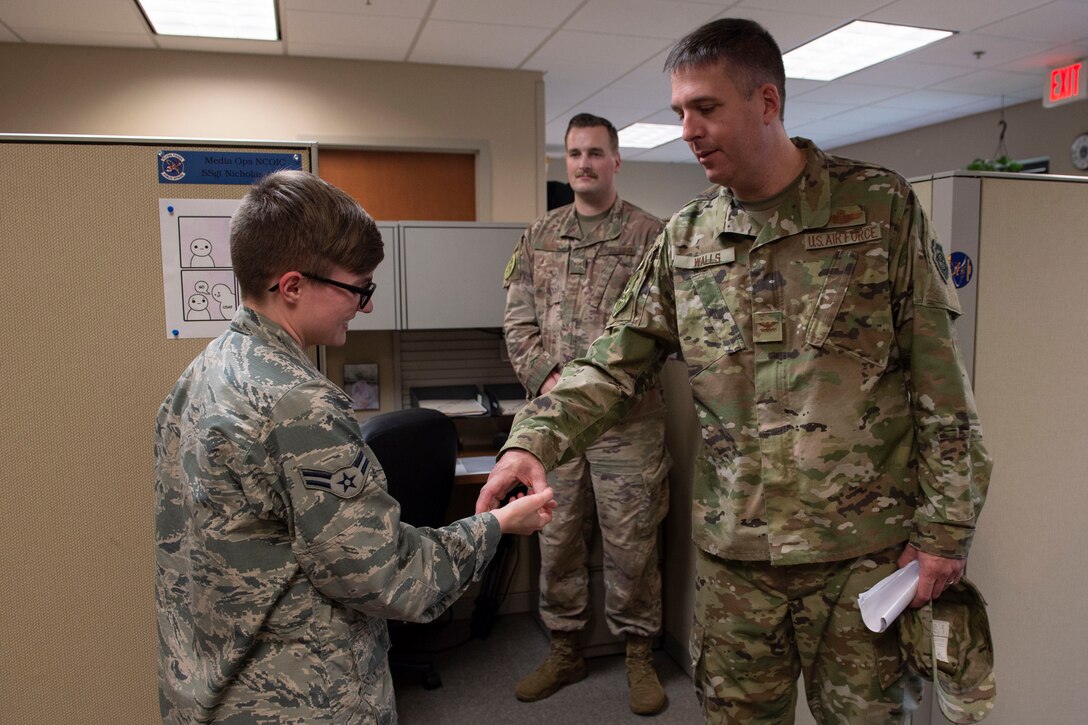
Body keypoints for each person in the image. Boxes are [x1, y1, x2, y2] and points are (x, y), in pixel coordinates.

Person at [478, 18, 992, 724]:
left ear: (768, 103)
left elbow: (943, 386)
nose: (689, 128)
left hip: (860, 558)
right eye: (679, 112)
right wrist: (530, 439)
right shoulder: (687, 239)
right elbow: (610, 362)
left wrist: (944, 532)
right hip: (736, 560)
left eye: (707, 108)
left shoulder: (878, 210)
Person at [155, 169, 555, 724]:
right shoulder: (299, 404)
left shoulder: (204, 373)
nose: (365, 306)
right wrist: (498, 525)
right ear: (292, 286)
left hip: (213, 685)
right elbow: (390, 577)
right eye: (357, 288)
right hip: (297, 699)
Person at [501, 112, 673, 716]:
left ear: (615, 160)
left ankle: (638, 656)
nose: (584, 164)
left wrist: (605, 388)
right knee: (557, 538)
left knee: (633, 544)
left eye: (596, 153)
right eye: (574, 154)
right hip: (557, 425)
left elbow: (665, 330)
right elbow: (518, 321)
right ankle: (566, 648)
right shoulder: (539, 235)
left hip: (629, 422)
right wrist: (550, 381)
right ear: (564, 162)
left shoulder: (653, 236)